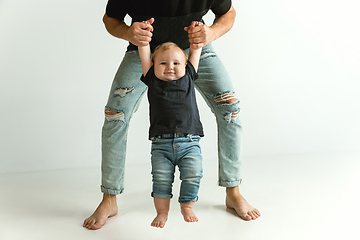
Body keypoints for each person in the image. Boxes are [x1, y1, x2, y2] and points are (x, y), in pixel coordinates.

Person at [83, 0, 260, 230]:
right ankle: (109, 199)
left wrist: (211, 32)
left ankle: (233, 192)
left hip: (195, 48)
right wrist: (128, 32)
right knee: (115, 114)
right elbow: (110, 19)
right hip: (145, 50)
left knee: (230, 108)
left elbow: (228, 14)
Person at [139, 20, 204, 228]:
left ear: (185, 66)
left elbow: (195, 49)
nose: (170, 68)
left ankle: (187, 205)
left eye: (176, 63)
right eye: (163, 63)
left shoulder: (189, 78)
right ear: (153, 65)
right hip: (161, 145)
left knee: (193, 174)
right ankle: (162, 211)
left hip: (190, 141)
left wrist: (195, 34)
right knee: (160, 180)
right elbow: (143, 49)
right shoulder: (152, 79)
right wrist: (145, 34)